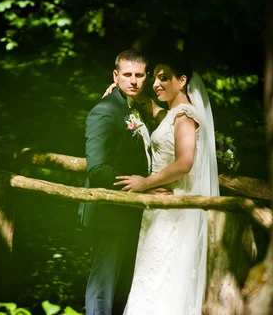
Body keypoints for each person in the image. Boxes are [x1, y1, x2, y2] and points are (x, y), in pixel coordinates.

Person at [104, 56, 219, 314]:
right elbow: (151, 106)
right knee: (151, 274)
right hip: (159, 206)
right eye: (154, 77)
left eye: (163, 77)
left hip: (174, 210)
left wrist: (146, 182)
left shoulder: (185, 116)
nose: (155, 83)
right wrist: (118, 90)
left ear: (182, 81)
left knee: (162, 276)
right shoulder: (172, 114)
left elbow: (184, 163)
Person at [81, 50, 170, 315]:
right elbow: (96, 169)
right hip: (109, 211)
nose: (133, 80)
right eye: (127, 75)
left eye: (139, 75)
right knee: (103, 283)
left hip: (133, 211)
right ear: (115, 76)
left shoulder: (136, 107)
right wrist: (146, 184)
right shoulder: (105, 111)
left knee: (125, 286)